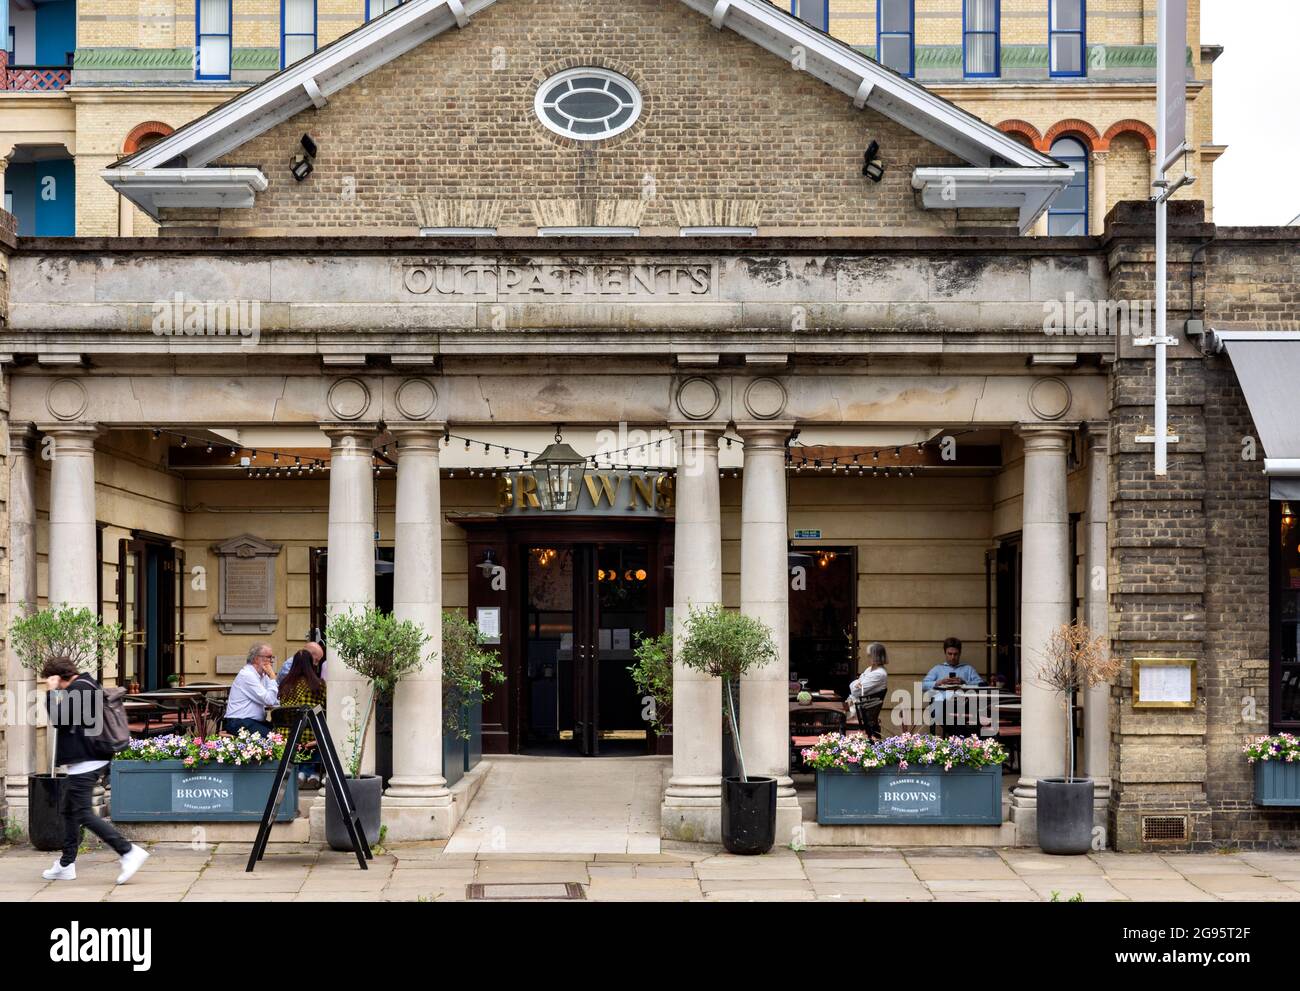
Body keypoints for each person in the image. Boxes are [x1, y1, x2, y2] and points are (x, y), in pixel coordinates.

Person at [39, 657, 150, 885]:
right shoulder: (88, 684)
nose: (54, 685)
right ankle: (66, 864)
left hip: (86, 761)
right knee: (70, 812)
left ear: (60, 677)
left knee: (82, 813)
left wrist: (51, 694)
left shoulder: (79, 689)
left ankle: (128, 852)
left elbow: (59, 720)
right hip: (88, 758)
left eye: (54, 681)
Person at [272, 648, 327, 788]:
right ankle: (311, 773)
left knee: (300, 735)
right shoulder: (319, 685)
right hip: (311, 732)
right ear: (311, 664)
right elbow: (326, 707)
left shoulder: (284, 685)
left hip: (287, 733)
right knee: (321, 733)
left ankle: (299, 773)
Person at [922, 637, 984, 734]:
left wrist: (965, 682)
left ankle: (956, 739)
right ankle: (958, 739)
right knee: (947, 712)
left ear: (960, 653)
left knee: (968, 714)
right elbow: (923, 685)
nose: (952, 657)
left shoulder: (967, 669)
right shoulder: (938, 669)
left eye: (955, 654)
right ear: (945, 653)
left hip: (964, 704)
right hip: (943, 705)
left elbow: (981, 684)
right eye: (949, 654)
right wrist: (939, 682)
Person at [223, 642, 280, 735]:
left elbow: (274, 700)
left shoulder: (263, 676)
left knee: (281, 733)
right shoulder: (247, 675)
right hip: (238, 722)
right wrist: (273, 678)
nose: (271, 661)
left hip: (252, 721)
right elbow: (269, 700)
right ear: (256, 659)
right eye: (269, 657)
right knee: (274, 738)